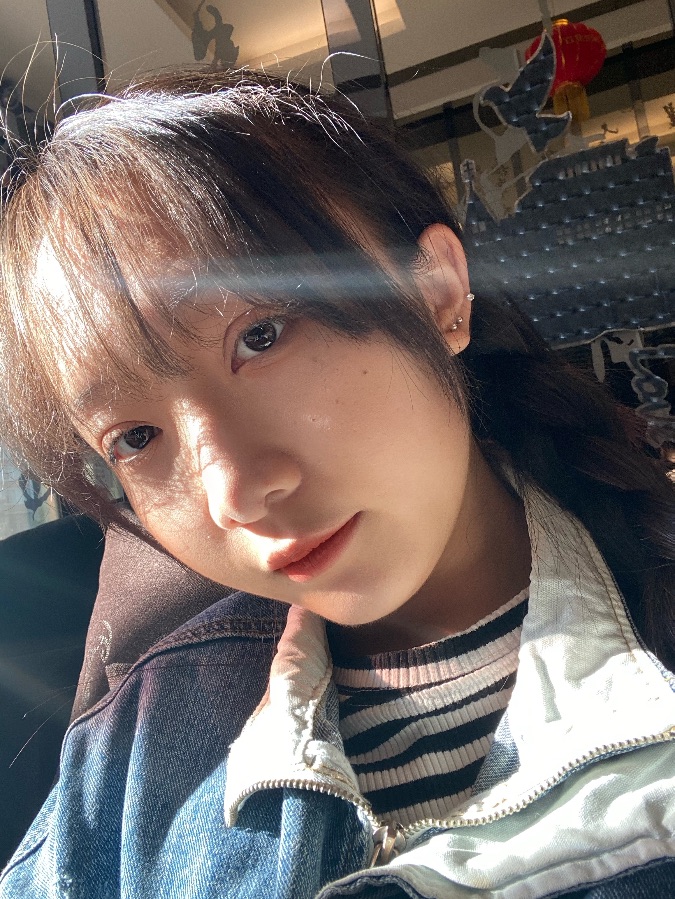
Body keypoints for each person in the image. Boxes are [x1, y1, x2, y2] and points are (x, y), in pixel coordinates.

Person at [0, 69, 673, 898]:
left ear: (435, 292)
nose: (233, 492)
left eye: (261, 335)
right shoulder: (131, 764)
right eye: (135, 438)